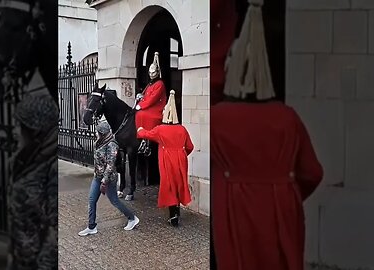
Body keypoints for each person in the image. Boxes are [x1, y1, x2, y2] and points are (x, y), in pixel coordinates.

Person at [210, 2, 324, 270]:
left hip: (235, 211)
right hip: (283, 210)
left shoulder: (218, 118)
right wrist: (283, 190)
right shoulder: (288, 117)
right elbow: (312, 172)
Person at [7, 94, 58, 270]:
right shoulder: (29, 159)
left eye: (18, 126)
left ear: (33, 130)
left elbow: (56, 232)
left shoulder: (52, 167)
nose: (14, 132)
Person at [137, 90, 194, 226]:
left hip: (167, 159)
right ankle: (177, 212)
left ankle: (173, 215)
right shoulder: (182, 129)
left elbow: (146, 134)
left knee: (169, 185)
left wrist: (139, 129)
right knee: (179, 183)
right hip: (181, 159)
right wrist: (181, 155)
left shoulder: (161, 129)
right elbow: (190, 146)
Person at [78, 121, 140, 236]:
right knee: (92, 200)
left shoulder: (112, 145)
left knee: (115, 201)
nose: (96, 134)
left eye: (98, 132)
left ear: (102, 133)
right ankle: (91, 226)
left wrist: (104, 181)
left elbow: (110, 165)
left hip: (109, 179)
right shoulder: (99, 142)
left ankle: (132, 218)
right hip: (97, 176)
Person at [135, 51, 167, 156]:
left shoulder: (160, 84)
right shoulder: (150, 83)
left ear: (157, 73)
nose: (151, 75)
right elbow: (147, 96)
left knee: (143, 114)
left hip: (156, 108)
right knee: (138, 114)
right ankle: (141, 136)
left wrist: (141, 105)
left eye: (153, 73)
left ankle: (146, 139)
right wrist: (141, 96)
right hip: (149, 106)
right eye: (150, 73)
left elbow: (153, 99)